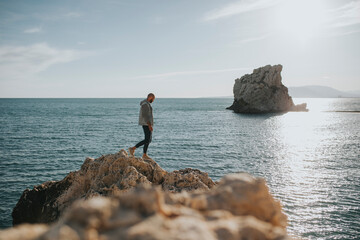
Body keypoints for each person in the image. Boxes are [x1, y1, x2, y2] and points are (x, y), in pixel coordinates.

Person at [128, 93, 155, 159]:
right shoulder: (145, 104)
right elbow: (145, 115)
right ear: (150, 97)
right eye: (153, 99)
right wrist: (149, 125)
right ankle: (133, 148)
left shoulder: (147, 104)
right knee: (147, 139)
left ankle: (144, 154)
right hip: (146, 124)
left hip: (147, 124)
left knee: (149, 139)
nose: (153, 100)